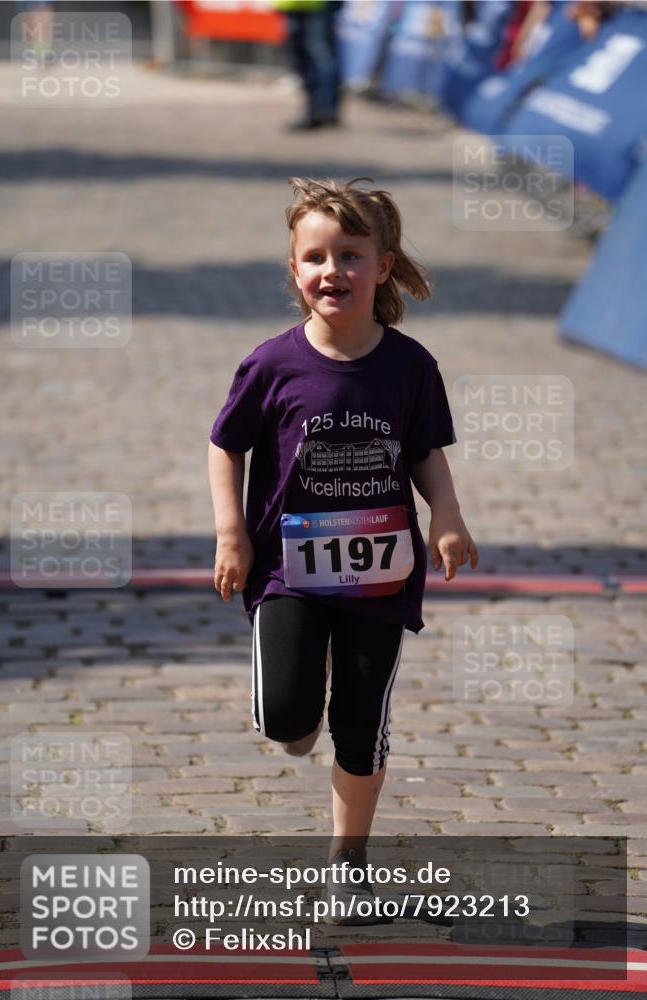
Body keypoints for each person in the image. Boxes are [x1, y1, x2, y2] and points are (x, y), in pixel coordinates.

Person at [208, 177, 478, 923]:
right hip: (286, 570)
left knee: (361, 718)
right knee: (290, 720)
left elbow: (424, 453)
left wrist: (447, 517)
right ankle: (294, 711)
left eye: (351, 256)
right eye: (315, 257)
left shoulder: (410, 366)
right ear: (295, 271)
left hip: (380, 575)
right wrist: (231, 532)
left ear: (383, 266)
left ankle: (347, 862)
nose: (333, 271)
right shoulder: (272, 364)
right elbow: (223, 447)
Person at [273, 0, 343, 130]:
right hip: (296, 4)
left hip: (318, 4)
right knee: (307, 57)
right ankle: (316, 110)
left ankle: (322, 110)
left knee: (319, 55)